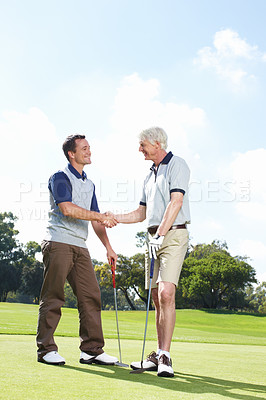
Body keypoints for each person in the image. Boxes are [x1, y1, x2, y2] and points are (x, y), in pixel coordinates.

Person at [112, 127, 190, 377]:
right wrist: (114, 218)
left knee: (167, 293)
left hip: (173, 235)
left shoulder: (177, 164)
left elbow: (176, 202)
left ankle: (166, 355)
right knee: (156, 298)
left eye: (143, 144)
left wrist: (161, 235)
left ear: (157, 143)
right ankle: (158, 354)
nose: (140, 149)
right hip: (152, 238)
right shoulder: (148, 177)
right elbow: (141, 214)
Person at [36, 134, 119, 366]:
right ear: (71, 153)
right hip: (58, 242)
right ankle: (46, 349)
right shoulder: (59, 177)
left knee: (91, 296)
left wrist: (108, 247)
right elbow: (67, 209)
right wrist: (100, 216)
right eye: (84, 148)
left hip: (80, 246)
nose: (89, 151)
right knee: (54, 296)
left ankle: (92, 350)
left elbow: (95, 221)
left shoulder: (90, 184)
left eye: (89, 147)